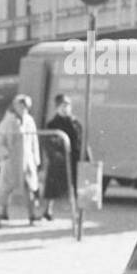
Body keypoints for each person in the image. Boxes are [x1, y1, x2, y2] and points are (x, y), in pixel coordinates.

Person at [0, 93, 41, 224]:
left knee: (30, 187)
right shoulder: (7, 121)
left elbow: (34, 140)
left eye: (25, 105)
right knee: (6, 187)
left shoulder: (30, 121)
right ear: (15, 106)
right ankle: (3, 212)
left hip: (27, 159)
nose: (23, 108)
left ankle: (32, 214)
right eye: (20, 105)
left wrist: (36, 158)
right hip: (11, 160)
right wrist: (5, 155)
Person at [41, 93, 88, 222]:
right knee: (52, 186)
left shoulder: (75, 122)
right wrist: (55, 155)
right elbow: (48, 142)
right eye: (62, 105)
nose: (65, 108)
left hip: (75, 159)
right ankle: (48, 210)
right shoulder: (52, 123)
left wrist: (87, 157)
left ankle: (77, 213)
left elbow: (82, 141)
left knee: (77, 187)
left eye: (67, 105)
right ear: (57, 107)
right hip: (59, 160)